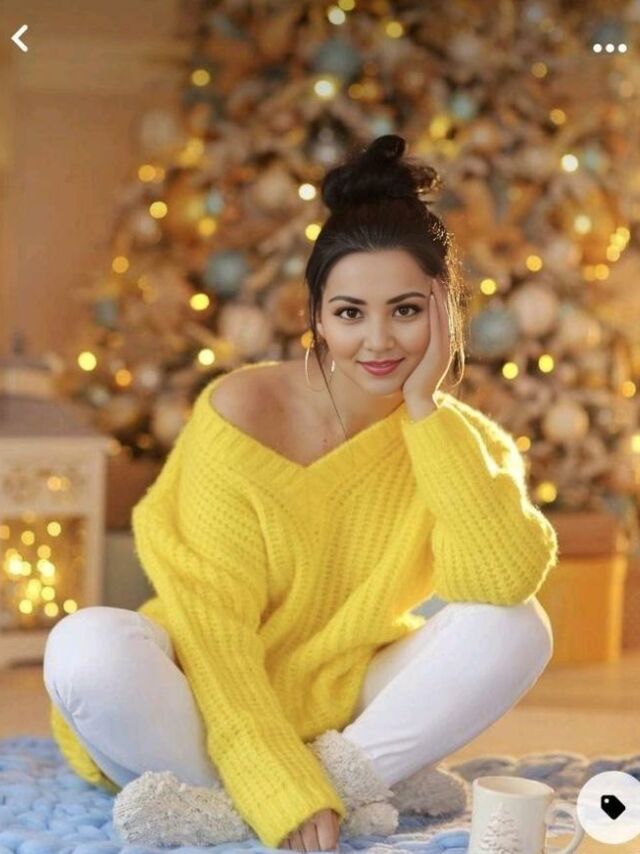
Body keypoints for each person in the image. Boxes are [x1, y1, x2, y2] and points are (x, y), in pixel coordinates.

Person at [43, 134, 557, 853]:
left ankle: (280, 799)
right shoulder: (239, 412)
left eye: (406, 310)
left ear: (445, 312)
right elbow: (214, 633)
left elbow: (498, 581)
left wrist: (425, 411)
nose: (379, 340)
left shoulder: (459, 442)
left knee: (518, 626)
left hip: (342, 709)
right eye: (350, 313)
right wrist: (274, 783)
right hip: (201, 702)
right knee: (86, 645)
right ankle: (284, 796)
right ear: (316, 315)